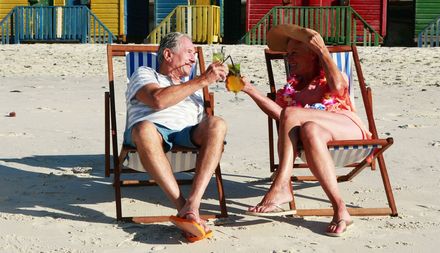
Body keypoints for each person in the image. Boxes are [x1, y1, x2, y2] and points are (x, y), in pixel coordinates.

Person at [242, 24, 371, 237]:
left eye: (294, 54)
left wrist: (322, 50)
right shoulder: (290, 90)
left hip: (348, 129)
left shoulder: (331, 76)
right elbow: (284, 118)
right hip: (318, 139)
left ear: (312, 55)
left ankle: (282, 183)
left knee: (292, 114)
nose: (288, 59)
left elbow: (338, 88)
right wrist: (250, 90)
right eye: (286, 54)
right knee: (309, 128)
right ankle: (340, 208)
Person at [123, 32, 227, 241]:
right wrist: (203, 79)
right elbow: (157, 100)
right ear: (168, 54)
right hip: (151, 133)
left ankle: (193, 205)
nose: (193, 58)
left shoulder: (193, 85)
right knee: (143, 129)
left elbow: (205, 124)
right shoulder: (145, 74)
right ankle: (183, 208)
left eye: (194, 54)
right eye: (189, 52)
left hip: (187, 134)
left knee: (217, 123)